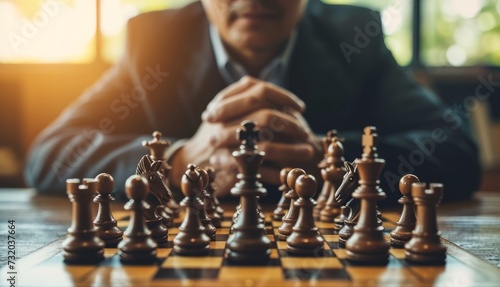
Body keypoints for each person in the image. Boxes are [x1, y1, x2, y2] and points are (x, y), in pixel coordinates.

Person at [24, 0, 481, 203]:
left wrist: (328, 155)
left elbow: (456, 150)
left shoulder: (355, 36)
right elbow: (50, 152)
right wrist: (177, 160)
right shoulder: (154, 42)